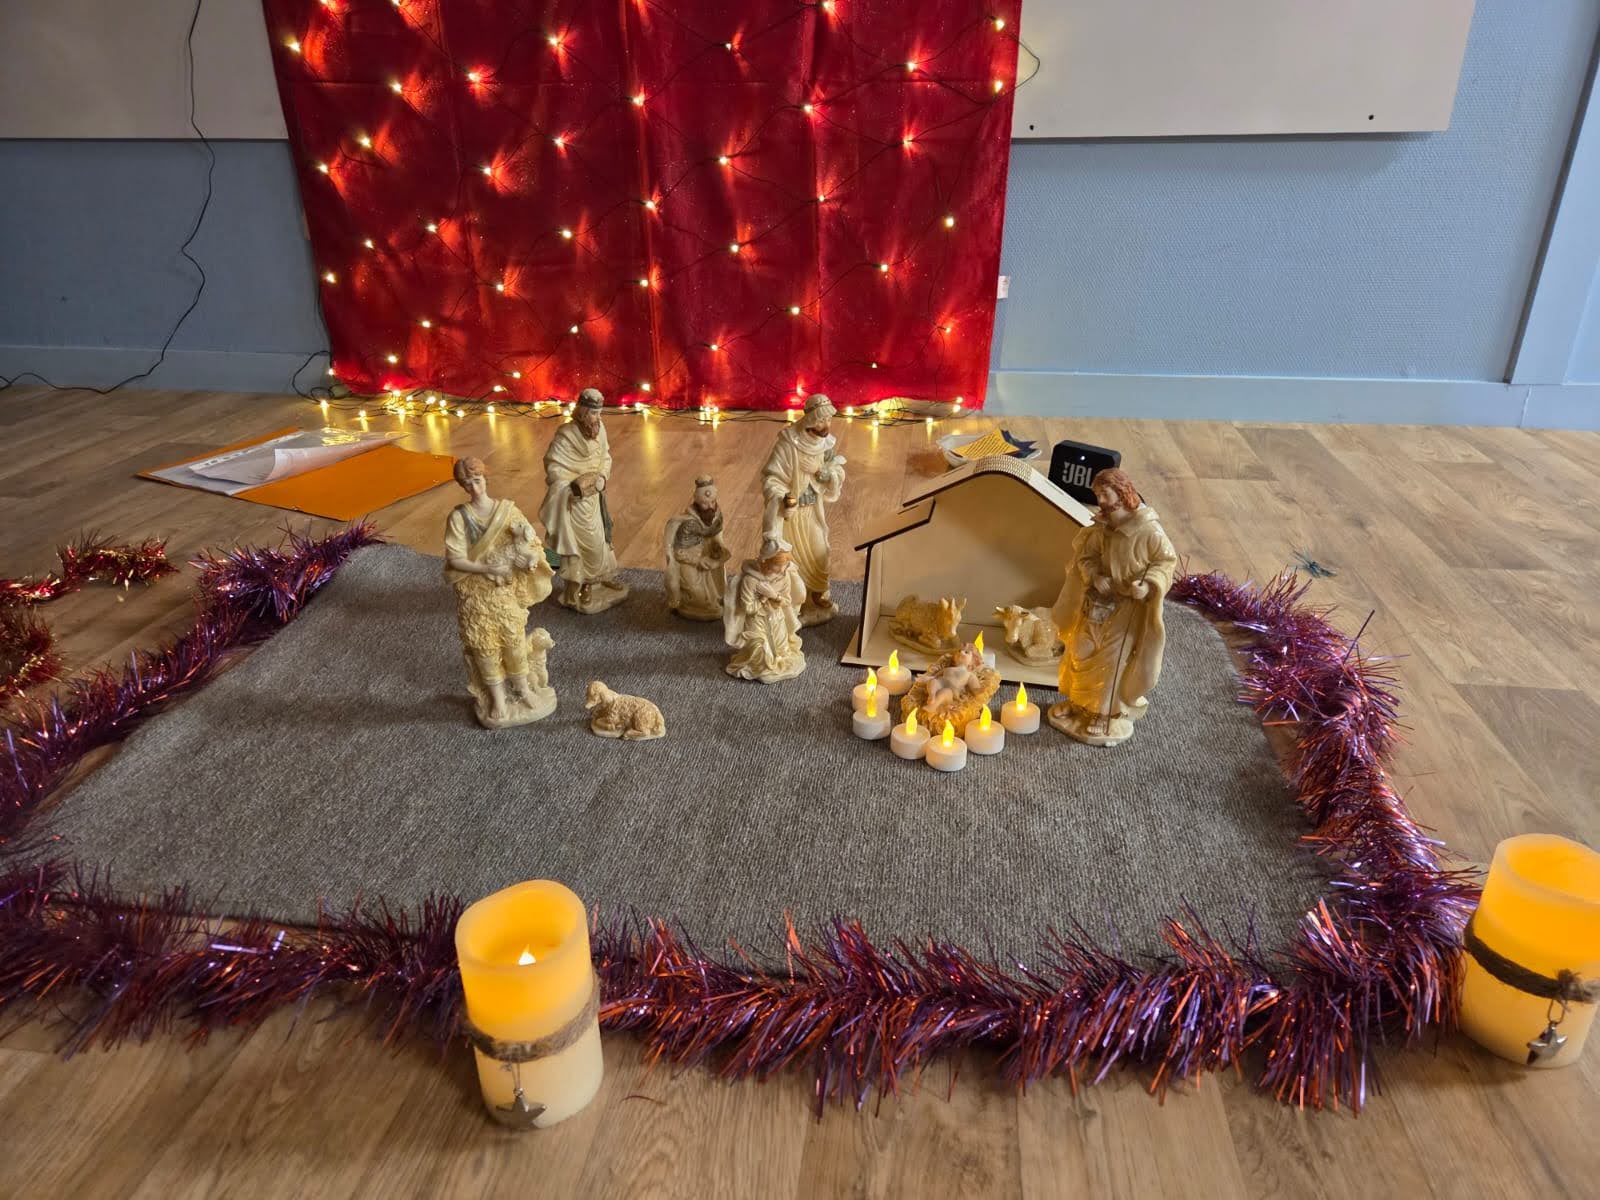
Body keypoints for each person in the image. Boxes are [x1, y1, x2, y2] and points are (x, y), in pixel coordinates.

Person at [1048, 468, 1178, 747]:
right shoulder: (1102, 528)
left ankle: (1103, 713)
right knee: (1080, 652)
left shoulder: (1148, 530)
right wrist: (1094, 576)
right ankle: (1078, 703)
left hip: (1126, 607)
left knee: (1110, 661)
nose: (1101, 501)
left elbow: (1165, 562)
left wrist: (1147, 585)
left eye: (1105, 494)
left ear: (1122, 493)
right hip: (1096, 600)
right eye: (1097, 495)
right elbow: (1086, 557)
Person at [443, 457, 554, 726]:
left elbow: (531, 544)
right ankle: (498, 698)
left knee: (513, 641)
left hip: (504, 594)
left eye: (478, 480)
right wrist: (485, 567)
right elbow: (455, 559)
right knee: (485, 647)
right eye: (468, 484)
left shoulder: (507, 512)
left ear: (486, 479)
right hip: (475, 595)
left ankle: (524, 690)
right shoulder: (459, 518)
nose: (474, 488)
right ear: (462, 486)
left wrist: (527, 560)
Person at [758, 393, 846, 625]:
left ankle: (817, 596)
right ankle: (795, 602)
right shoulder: (788, 443)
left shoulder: (826, 444)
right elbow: (771, 477)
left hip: (813, 509)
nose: (826, 426)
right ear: (810, 419)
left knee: (819, 550)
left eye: (829, 420)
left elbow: (836, 469)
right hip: (791, 513)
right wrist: (783, 497)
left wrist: (821, 472)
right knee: (791, 558)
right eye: (821, 420)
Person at [540, 388, 629, 613]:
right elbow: (554, 466)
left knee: (603, 538)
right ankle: (584, 585)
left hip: (595, 495)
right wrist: (572, 486)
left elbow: (605, 456)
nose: (597, 418)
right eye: (593, 413)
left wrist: (602, 477)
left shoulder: (600, 430)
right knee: (586, 542)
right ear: (582, 412)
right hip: (575, 500)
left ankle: (602, 578)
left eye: (599, 413)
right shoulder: (566, 435)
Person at [723, 538, 808, 683]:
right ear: (766, 561)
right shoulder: (751, 580)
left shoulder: (784, 577)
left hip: (776, 619)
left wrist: (773, 595)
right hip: (757, 621)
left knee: (781, 653)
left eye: (785, 564)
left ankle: (777, 660)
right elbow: (748, 608)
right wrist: (763, 599)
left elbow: (786, 601)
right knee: (762, 654)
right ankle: (759, 665)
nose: (782, 569)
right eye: (777, 565)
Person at [662, 475, 730, 620]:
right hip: (688, 561)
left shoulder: (716, 516)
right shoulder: (687, 523)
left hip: (707, 558)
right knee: (699, 598)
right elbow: (679, 553)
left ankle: (714, 599)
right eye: (705, 503)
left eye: (713, 502)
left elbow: (717, 537)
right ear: (697, 502)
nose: (710, 506)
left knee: (716, 592)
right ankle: (692, 603)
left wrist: (719, 550)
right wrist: (698, 561)